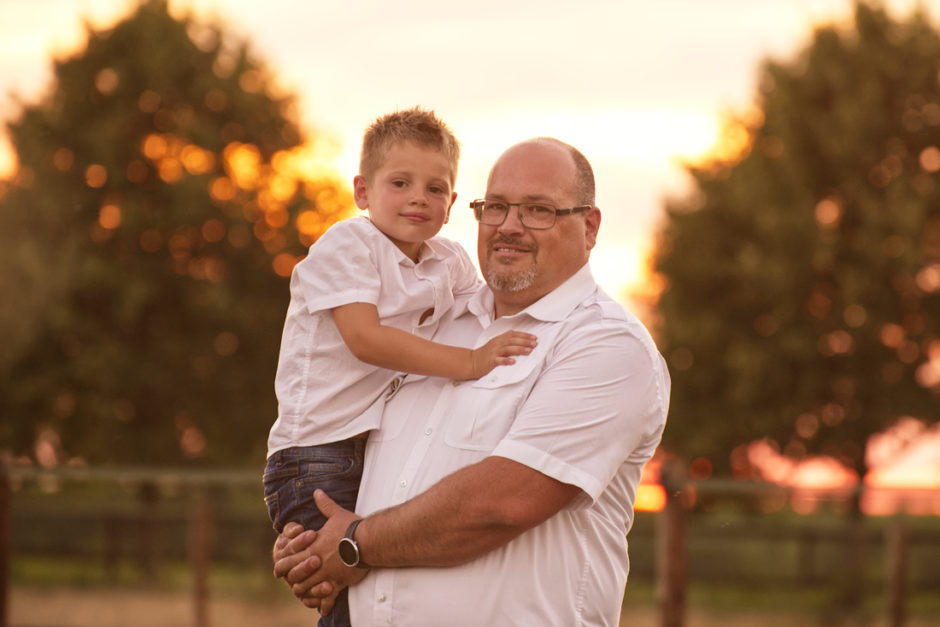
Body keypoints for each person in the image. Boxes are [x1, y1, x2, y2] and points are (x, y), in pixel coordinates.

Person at [273, 137, 670, 627]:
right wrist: (309, 543)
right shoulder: (433, 323)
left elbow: (502, 504)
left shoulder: (607, 346)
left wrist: (353, 544)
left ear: (589, 227)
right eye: (496, 207)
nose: (509, 226)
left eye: (538, 210)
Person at [263, 108, 536, 627]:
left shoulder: (448, 261)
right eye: (401, 182)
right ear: (363, 191)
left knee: (382, 580)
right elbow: (365, 339)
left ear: (454, 203)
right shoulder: (346, 246)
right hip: (316, 453)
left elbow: (486, 312)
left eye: (436, 188)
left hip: (375, 447)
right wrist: (471, 363)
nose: (419, 197)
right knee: (349, 595)